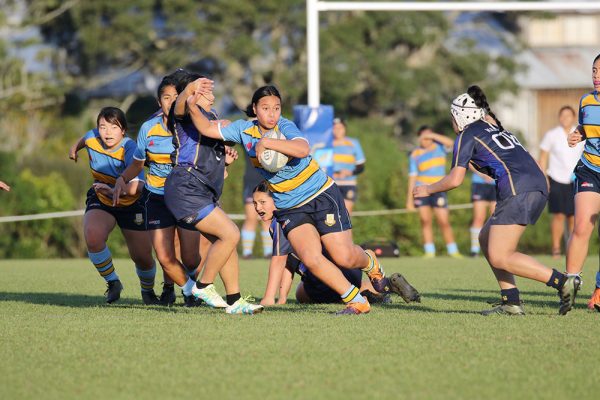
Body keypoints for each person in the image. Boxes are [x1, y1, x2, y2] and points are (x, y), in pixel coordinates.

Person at [183, 83, 391, 315]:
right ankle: (356, 301)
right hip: (289, 205)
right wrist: (192, 106)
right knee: (311, 259)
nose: (272, 114)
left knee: (344, 256)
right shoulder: (243, 130)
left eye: (276, 108)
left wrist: (267, 142)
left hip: (320, 194)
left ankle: (370, 262)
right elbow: (207, 128)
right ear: (255, 108)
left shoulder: (285, 126)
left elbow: (303, 149)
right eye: (265, 108)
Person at [413, 85, 578, 316]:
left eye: (452, 117)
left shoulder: (466, 134)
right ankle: (510, 301)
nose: (451, 122)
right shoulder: (492, 127)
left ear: (461, 116)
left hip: (517, 188)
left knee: (501, 255)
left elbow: (455, 179)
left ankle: (562, 282)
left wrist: (427, 189)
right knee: (485, 237)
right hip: (536, 184)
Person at [162, 72, 263, 314]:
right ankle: (203, 285)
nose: (209, 92)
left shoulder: (212, 117)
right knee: (230, 233)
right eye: (202, 89)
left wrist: (224, 161)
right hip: (185, 188)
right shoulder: (186, 114)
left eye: (208, 88)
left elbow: (212, 157)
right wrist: (189, 91)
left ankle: (234, 299)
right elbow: (178, 106)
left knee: (226, 240)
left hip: (202, 190)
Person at [112, 73, 204, 307]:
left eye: (176, 97)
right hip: (156, 197)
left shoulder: (193, 128)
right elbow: (137, 163)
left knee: (191, 258)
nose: (171, 102)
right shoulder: (148, 129)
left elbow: (207, 159)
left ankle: (188, 287)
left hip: (185, 198)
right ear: (159, 101)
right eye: (166, 97)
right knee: (164, 256)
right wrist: (123, 178)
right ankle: (191, 293)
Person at [252, 181, 419, 306]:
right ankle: (385, 286)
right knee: (338, 286)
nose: (257, 207)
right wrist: (281, 298)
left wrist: (268, 298)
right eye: (254, 203)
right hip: (350, 271)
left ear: (277, 199)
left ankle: (361, 296)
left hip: (324, 275)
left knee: (303, 294)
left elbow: (280, 261)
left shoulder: (283, 219)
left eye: (262, 202)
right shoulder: (301, 213)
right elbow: (288, 263)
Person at [69, 107, 159, 305]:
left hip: (132, 202)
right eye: (103, 127)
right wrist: (74, 149)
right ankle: (113, 282)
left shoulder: (130, 149)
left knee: (142, 257)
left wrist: (115, 191)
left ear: (123, 130)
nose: (107, 132)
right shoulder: (93, 137)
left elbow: (138, 187)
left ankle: (148, 291)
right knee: (92, 236)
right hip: (101, 198)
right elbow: (84, 139)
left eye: (113, 127)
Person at [566, 53, 600, 311]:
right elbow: (585, 126)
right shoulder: (586, 100)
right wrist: (578, 133)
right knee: (581, 226)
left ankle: (599, 290)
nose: (596, 75)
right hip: (589, 168)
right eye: (594, 70)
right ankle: (569, 284)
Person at [406, 126, 462, 258]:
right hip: (421, 190)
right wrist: (409, 200)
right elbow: (412, 177)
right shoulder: (415, 154)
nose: (427, 140)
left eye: (429, 137)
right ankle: (429, 251)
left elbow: (451, 143)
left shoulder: (440, 148)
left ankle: (453, 250)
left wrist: (432, 135)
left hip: (438, 189)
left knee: (444, 221)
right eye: (424, 137)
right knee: (425, 221)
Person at [538, 105, 584, 259]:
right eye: (562, 116)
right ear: (559, 117)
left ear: (573, 117)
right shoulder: (552, 135)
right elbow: (543, 157)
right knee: (558, 215)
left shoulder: (579, 134)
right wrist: (544, 178)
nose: (565, 118)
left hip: (575, 179)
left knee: (573, 216)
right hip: (556, 179)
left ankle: (570, 248)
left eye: (568, 116)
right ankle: (556, 249)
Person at [240, 154, 272, 259]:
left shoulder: (273, 140)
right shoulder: (250, 140)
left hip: (267, 181)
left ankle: (269, 253)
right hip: (250, 181)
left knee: (267, 219)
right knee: (251, 218)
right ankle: (247, 253)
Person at [331, 117, 366, 214]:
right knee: (331, 218)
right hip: (331, 184)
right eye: (335, 128)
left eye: (340, 128)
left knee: (346, 216)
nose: (337, 131)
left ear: (345, 129)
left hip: (348, 183)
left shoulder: (353, 143)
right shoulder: (326, 145)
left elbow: (361, 166)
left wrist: (349, 172)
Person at [469, 170, 496, 257]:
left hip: (498, 184)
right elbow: (469, 163)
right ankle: (474, 250)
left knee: (495, 218)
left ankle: (495, 249)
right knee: (479, 218)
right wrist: (482, 175)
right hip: (479, 183)